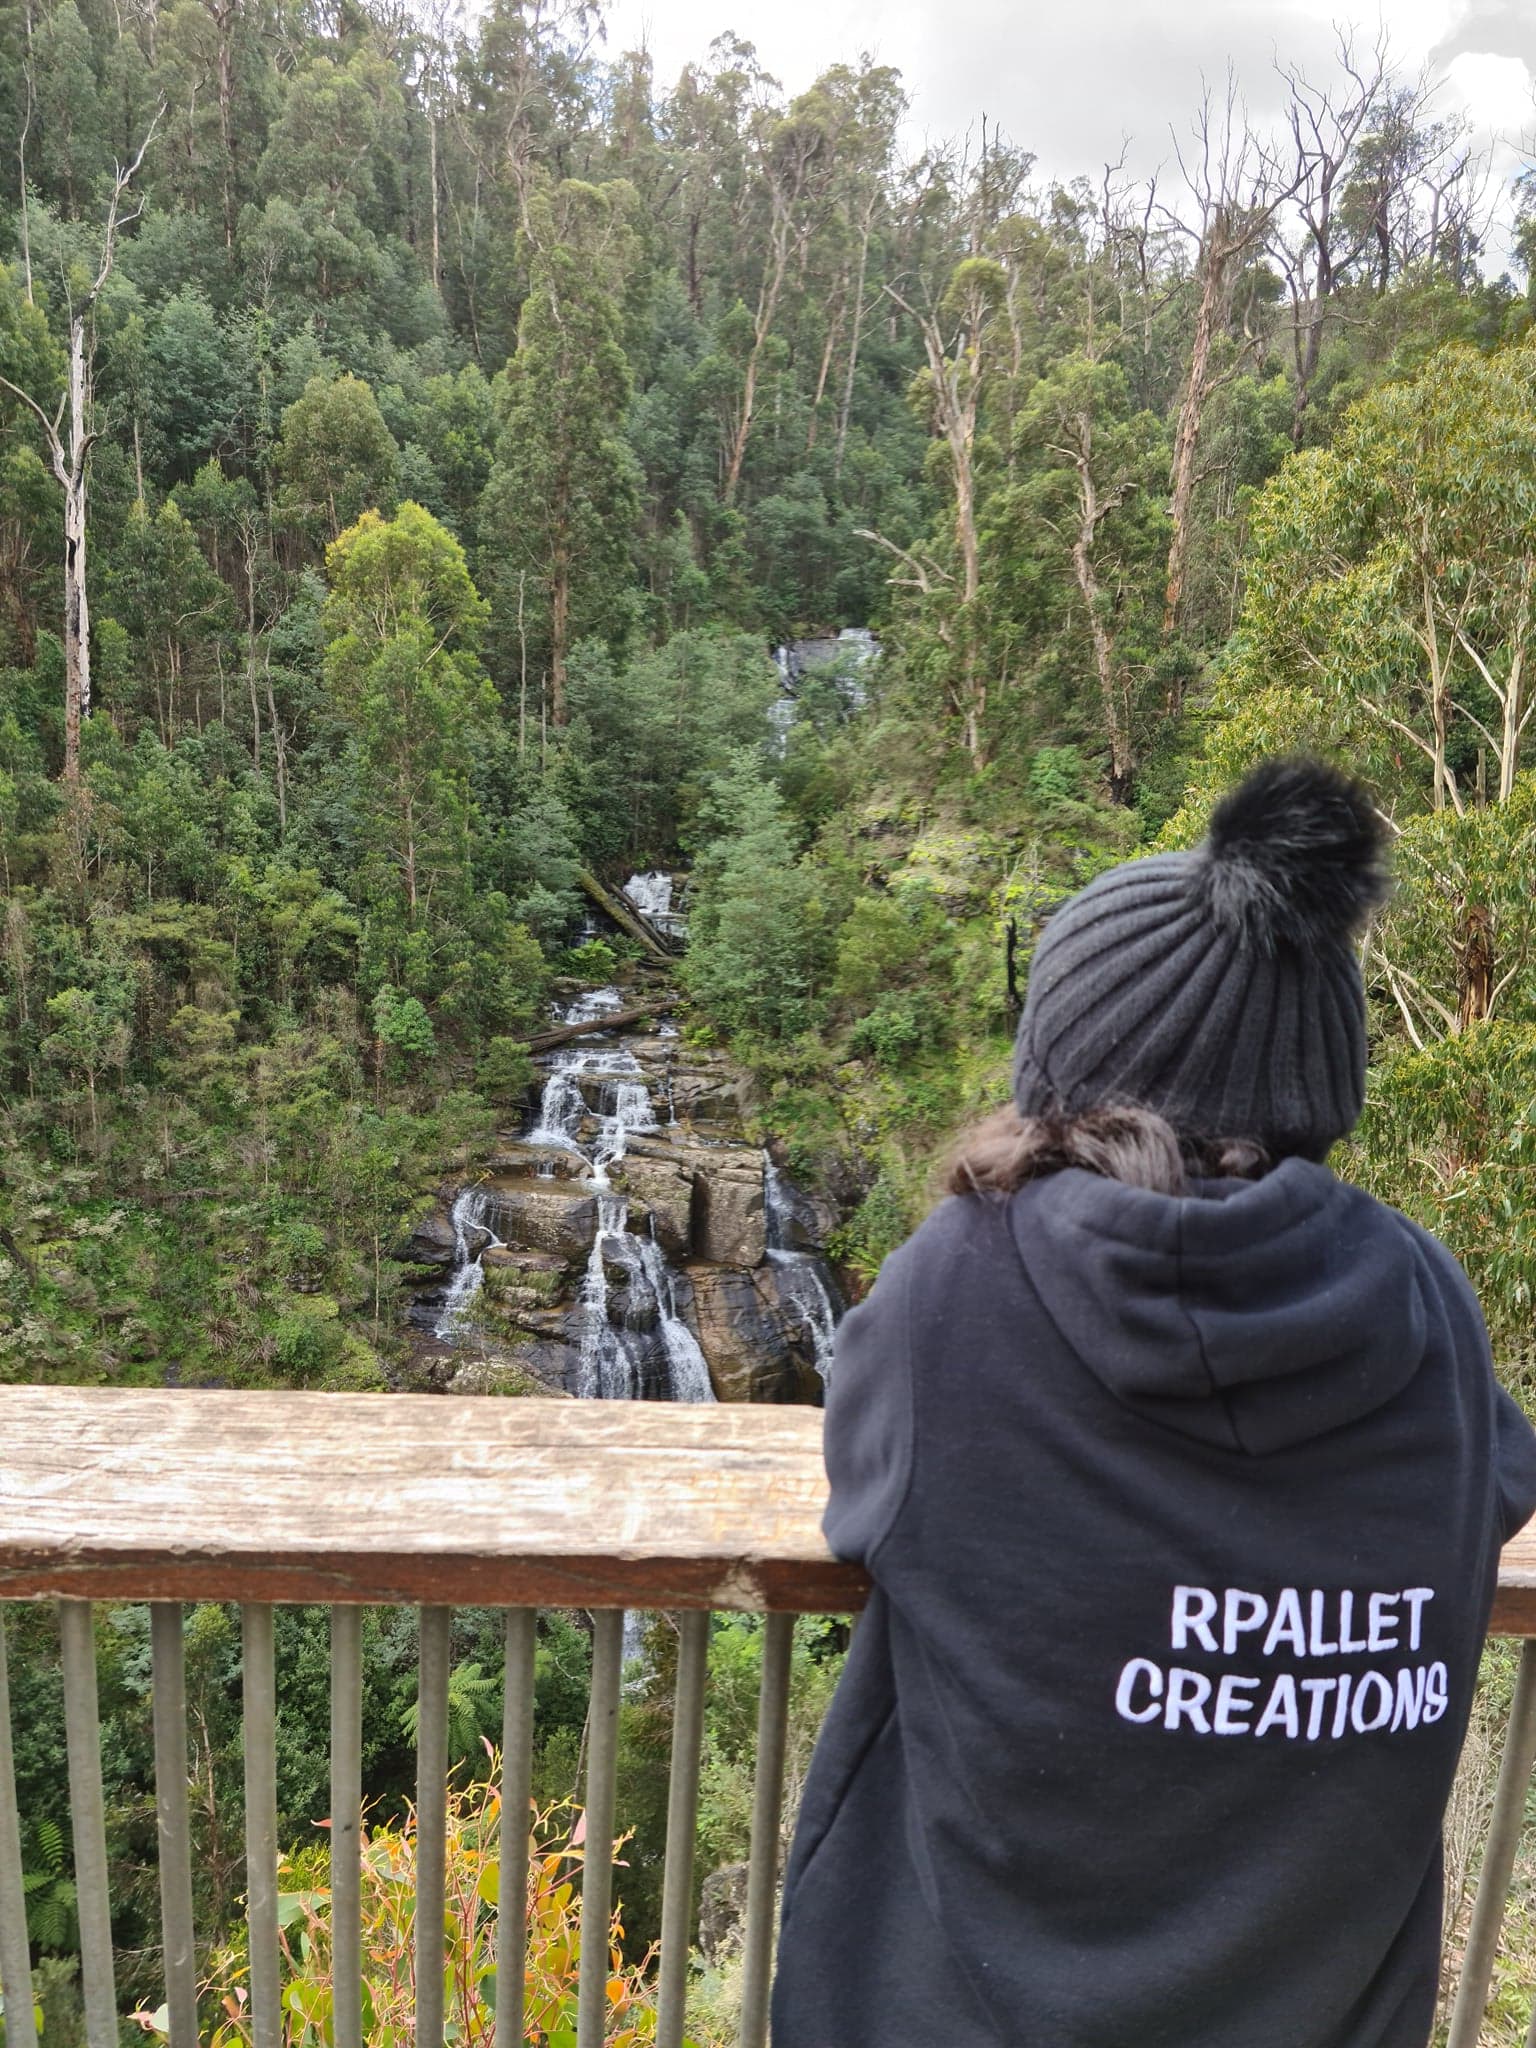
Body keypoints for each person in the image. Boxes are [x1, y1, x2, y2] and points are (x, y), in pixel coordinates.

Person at [770, 758, 1536, 2048]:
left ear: (1061, 1065)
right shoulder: (1427, 1309)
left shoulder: (954, 1293)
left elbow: (862, 1496)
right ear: (1317, 1083)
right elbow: (1496, 1486)